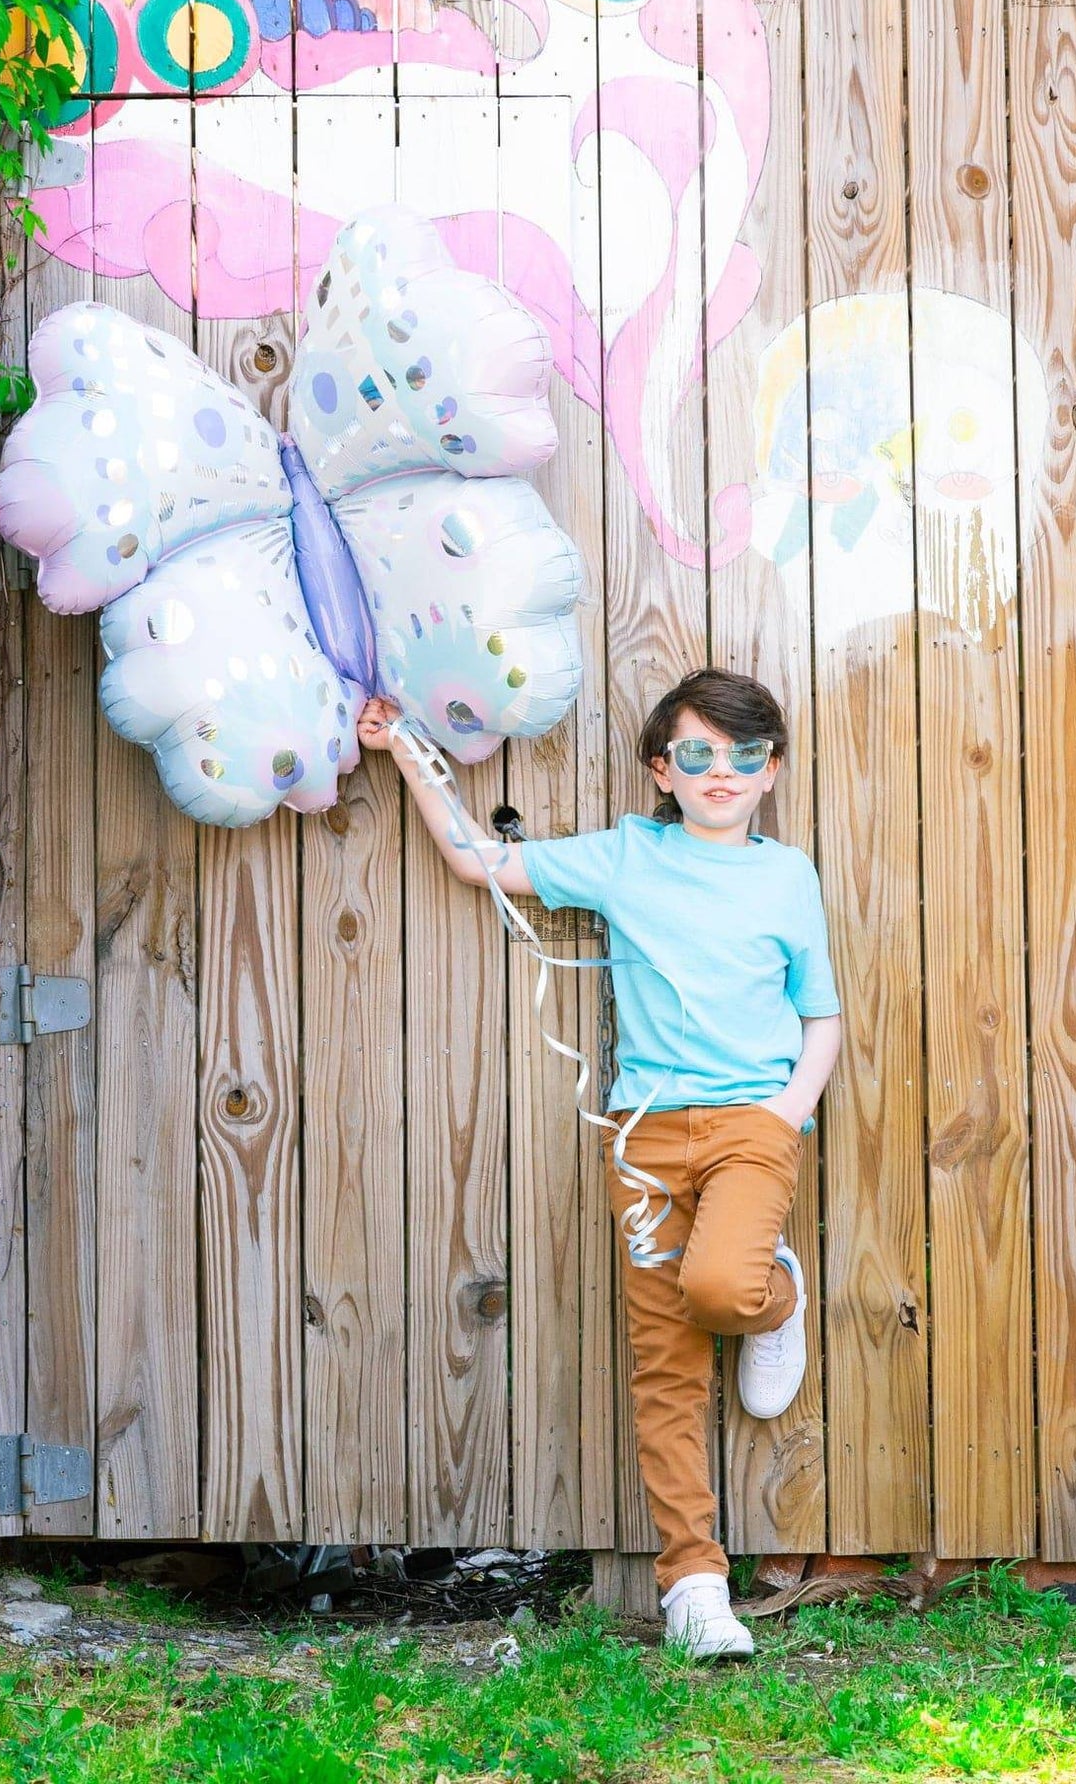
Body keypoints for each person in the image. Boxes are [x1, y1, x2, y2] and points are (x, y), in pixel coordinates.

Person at [358, 667, 844, 1662]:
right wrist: (404, 747)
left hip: (752, 1127)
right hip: (645, 1136)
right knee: (665, 1365)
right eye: (697, 753)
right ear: (663, 770)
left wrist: (785, 1115)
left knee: (721, 1287)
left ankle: (775, 1299)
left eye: (744, 754)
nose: (720, 770)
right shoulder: (627, 857)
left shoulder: (788, 875)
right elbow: (478, 861)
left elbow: (821, 1013)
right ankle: (695, 1587)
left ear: (771, 770)